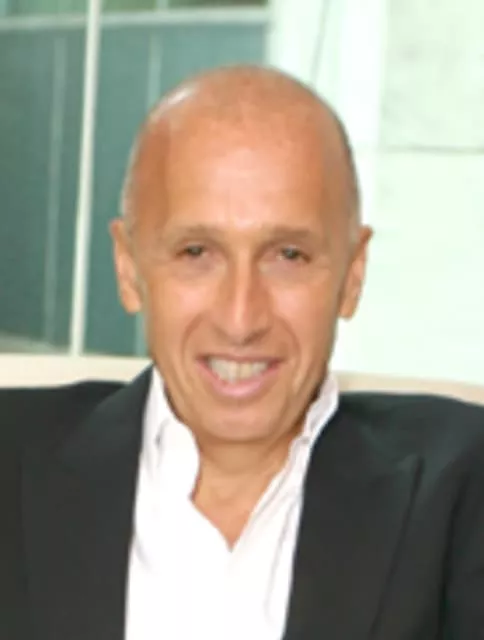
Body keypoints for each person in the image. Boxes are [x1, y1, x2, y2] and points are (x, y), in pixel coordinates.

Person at [1, 65, 484, 640]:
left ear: (353, 275)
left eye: (288, 256)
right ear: (128, 268)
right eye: (196, 252)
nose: (241, 319)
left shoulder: (464, 488)